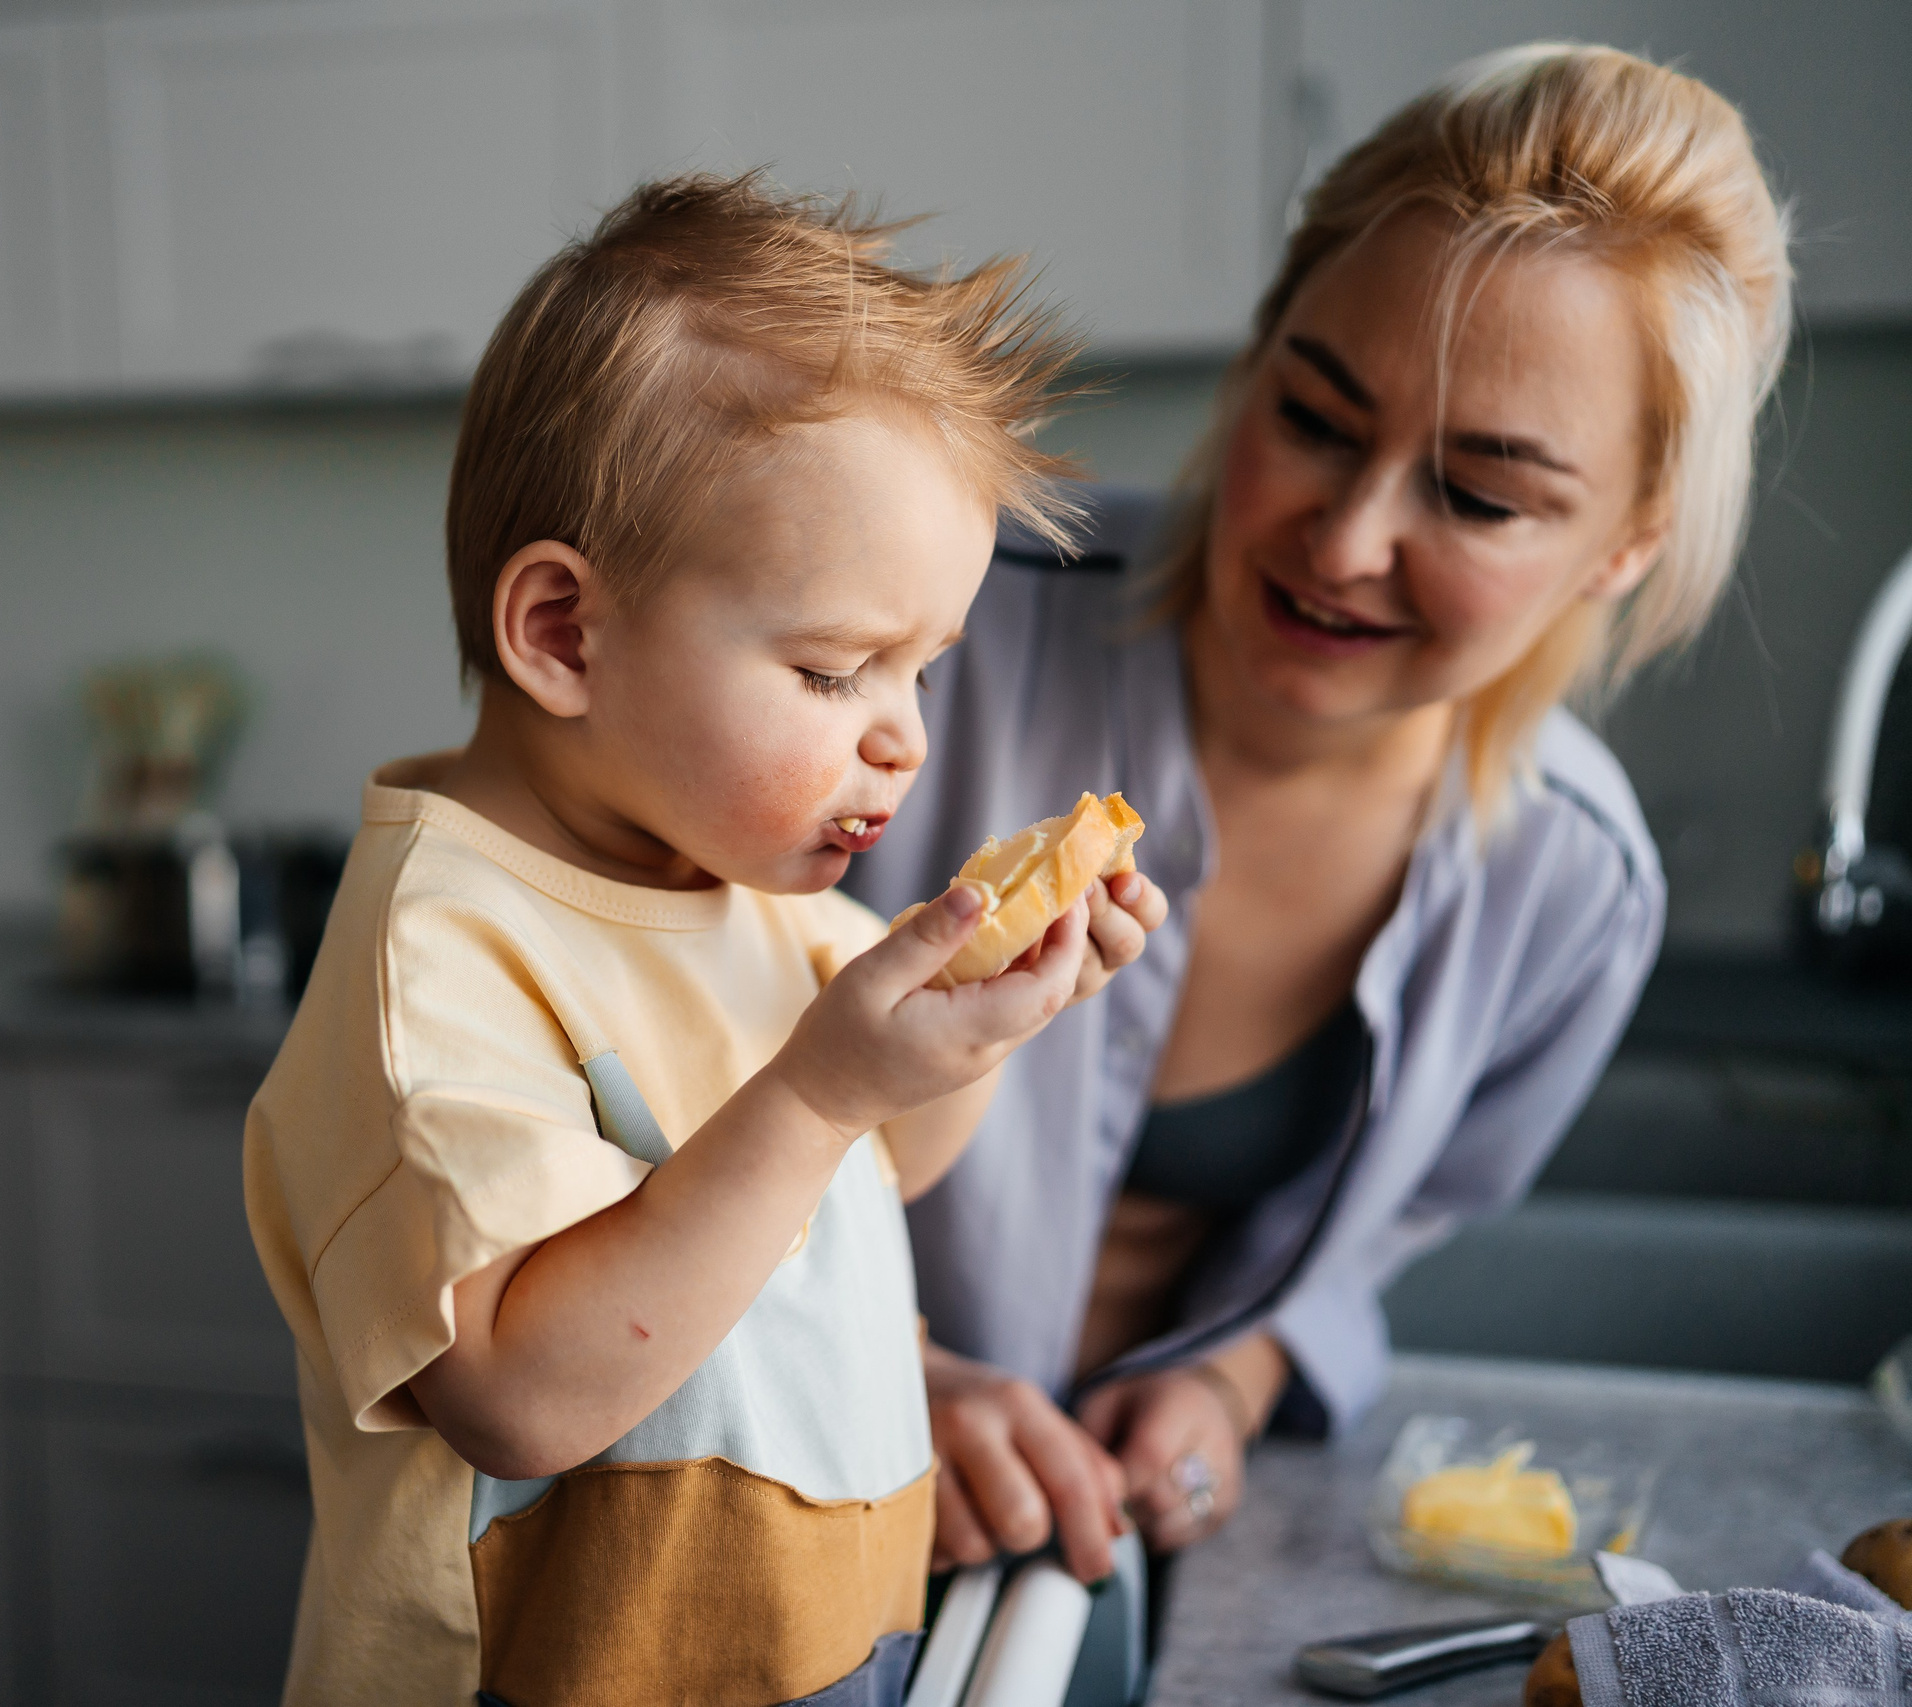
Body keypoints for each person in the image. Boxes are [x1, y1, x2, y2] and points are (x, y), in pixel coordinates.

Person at [845, 42, 1797, 1581]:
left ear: (1630, 540)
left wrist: (1233, 1377)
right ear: (1258, 355)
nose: (1347, 541)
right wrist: (878, 1364)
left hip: (1095, 1575)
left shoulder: (1574, 885)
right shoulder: (910, 630)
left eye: (1478, 497)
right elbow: (590, 1073)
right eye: (1315, 419)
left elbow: (1379, 1235)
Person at [244, 174, 1165, 1706]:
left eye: (924, 670)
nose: (904, 740)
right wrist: (818, 1090)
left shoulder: (741, 879)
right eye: (836, 670)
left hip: (817, 1645)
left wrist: (982, 1020)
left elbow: (875, 1171)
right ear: (564, 633)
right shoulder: (444, 960)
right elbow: (522, 1400)